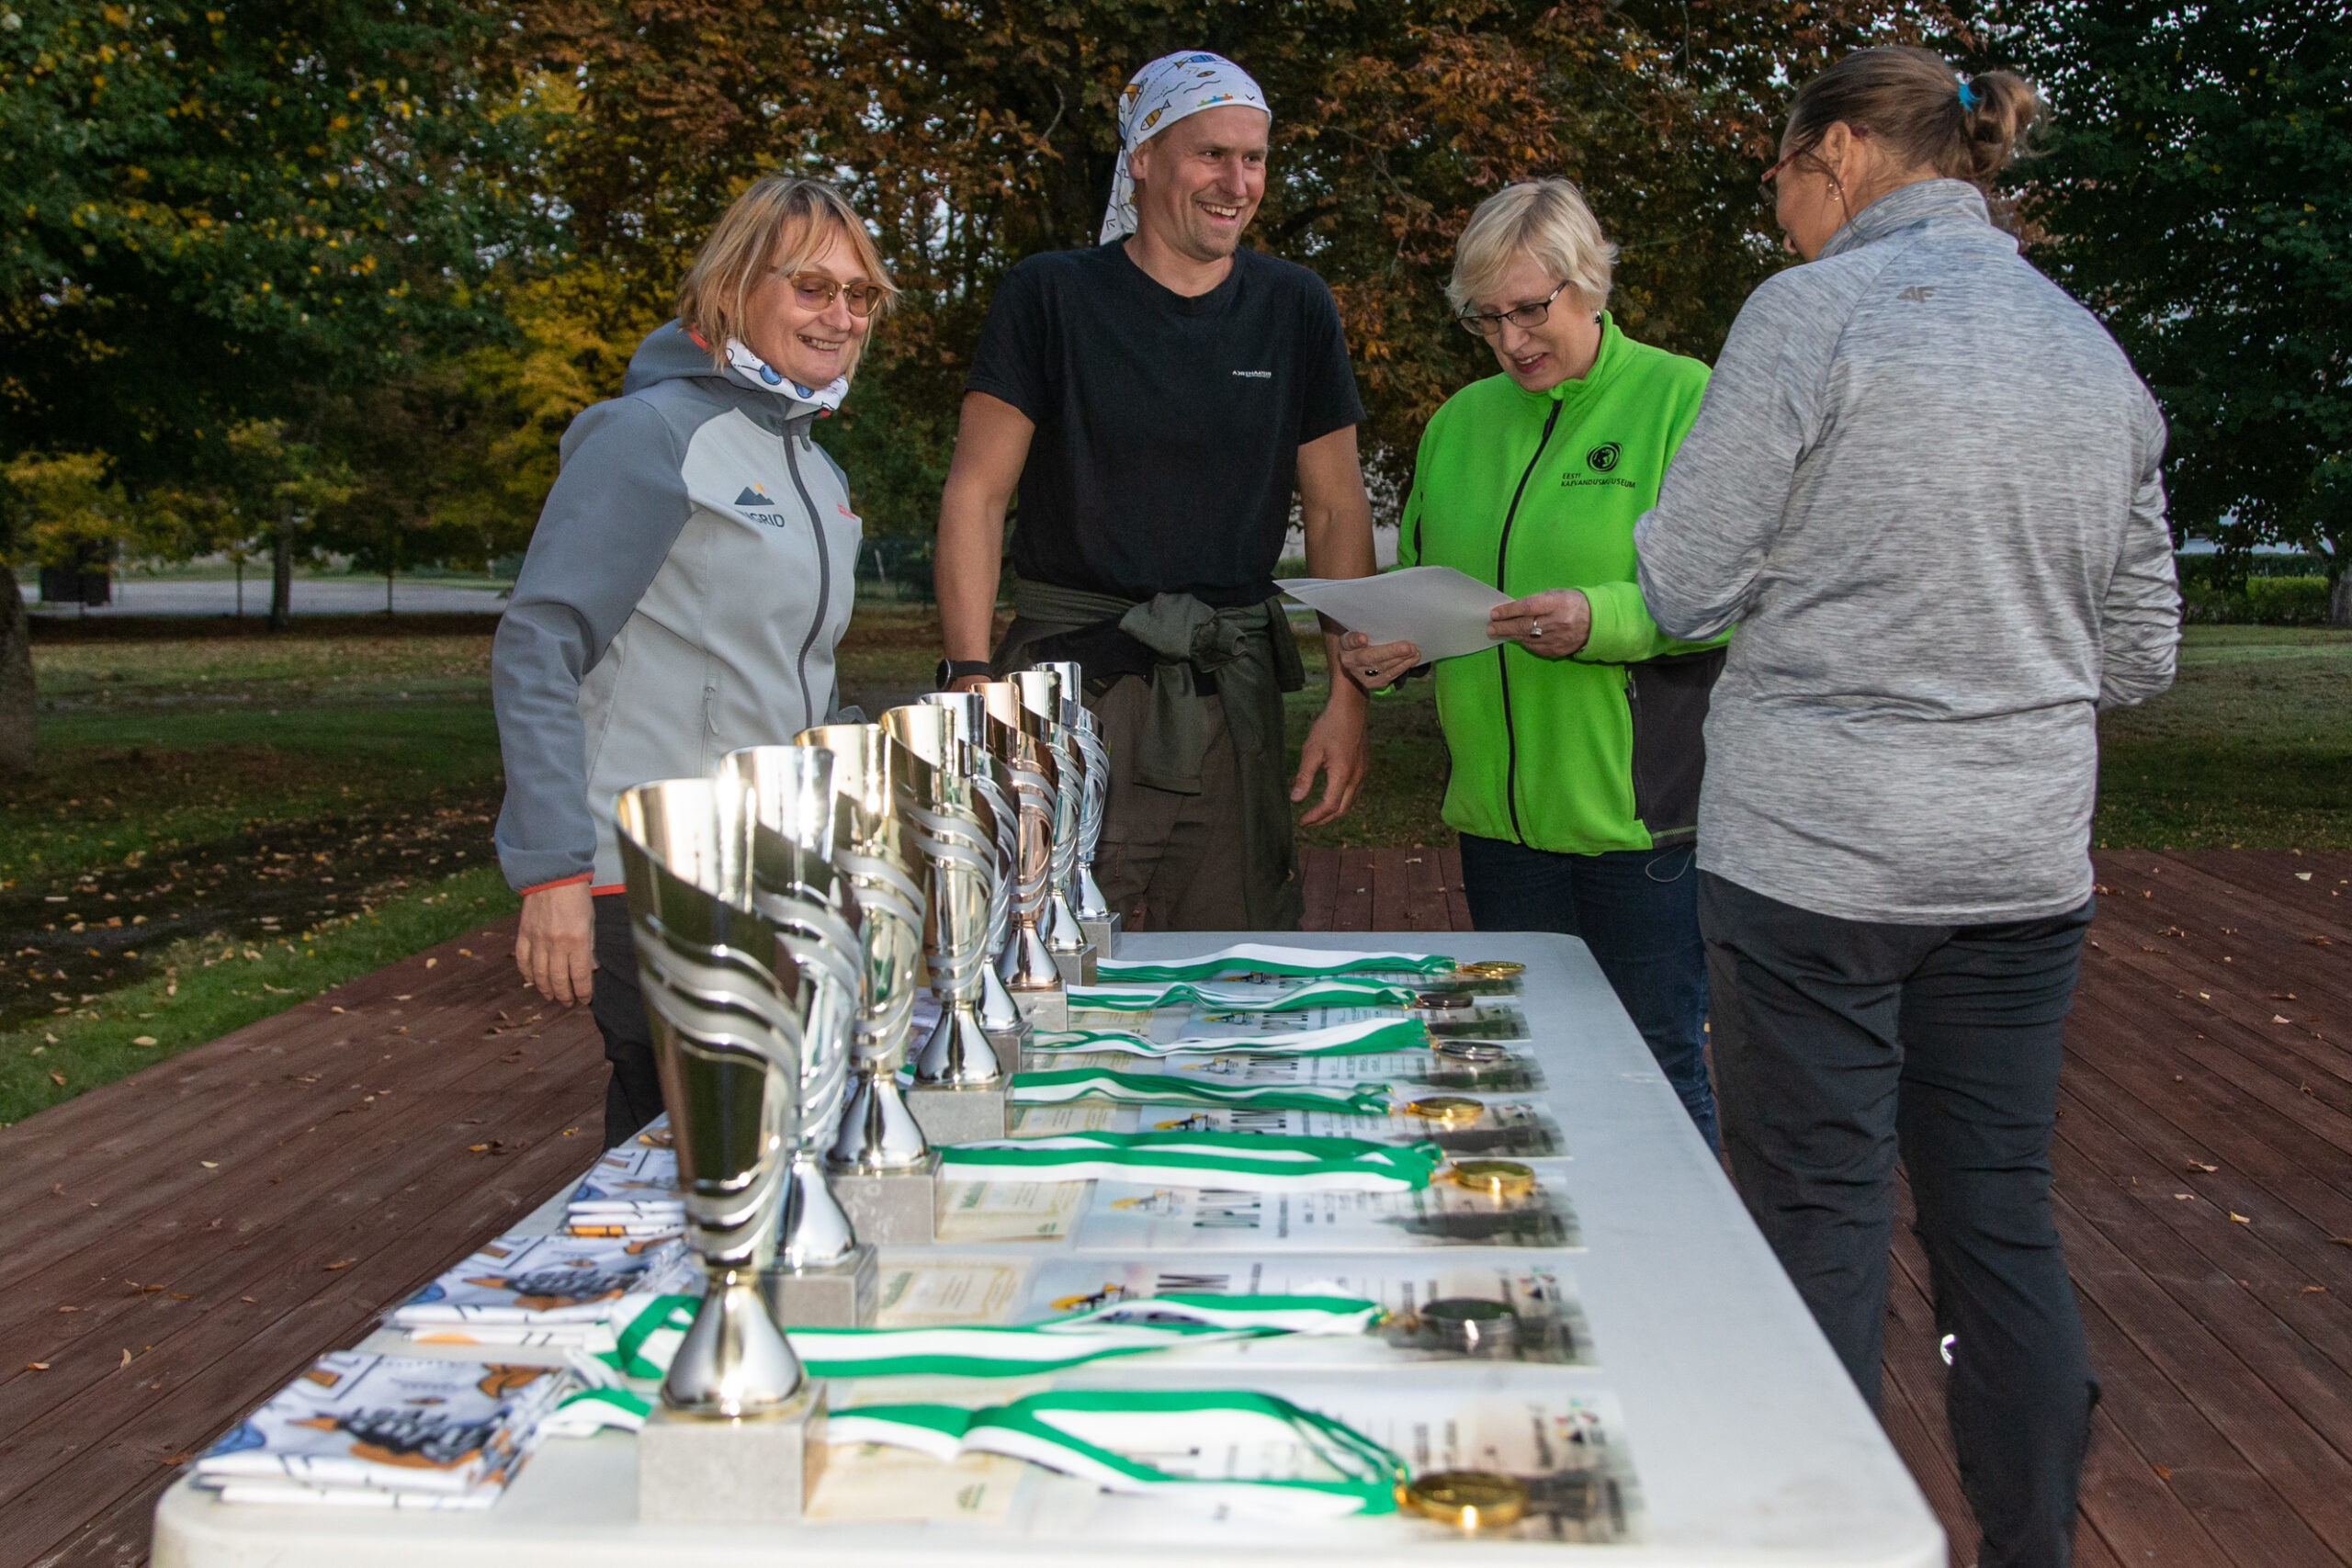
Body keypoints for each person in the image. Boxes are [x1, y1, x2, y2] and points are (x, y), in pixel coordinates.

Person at [1633, 47, 2178, 1568]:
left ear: (1842, 153)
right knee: (1998, 1214)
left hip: (1815, 860)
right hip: (2019, 865)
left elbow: (1681, 581)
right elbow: (2141, 652)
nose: (1781, 215)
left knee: (1816, 1214)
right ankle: (2031, 1543)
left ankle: (1806, 1542)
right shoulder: (2091, 352)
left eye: (1782, 181)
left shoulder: (1808, 316)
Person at [492, 176, 897, 1146]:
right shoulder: (652, 434)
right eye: (811, 287)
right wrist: (551, 870)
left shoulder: (816, 466)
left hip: (773, 869)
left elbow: (787, 671)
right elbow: (539, 643)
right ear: (732, 288)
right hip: (652, 870)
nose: (839, 316)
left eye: (859, 295)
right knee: (707, 1152)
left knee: (711, 1149)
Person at [933, 50, 1377, 931]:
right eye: (1211, 154)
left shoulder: (1295, 306)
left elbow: (1337, 507)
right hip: (1068, 695)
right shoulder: (1050, 296)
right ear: (1141, 157)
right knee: (1040, 951)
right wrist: (971, 676)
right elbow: (975, 494)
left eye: (1254, 159)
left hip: (1230, 698)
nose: (1237, 183)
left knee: (1237, 967)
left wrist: (1347, 694)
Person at [1338, 180, 1724, 1148]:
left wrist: (1600, 619)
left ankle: (1675, 1248)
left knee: (1652, 1069)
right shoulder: (1459, 422)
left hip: (1640, 831)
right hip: (1500, 830)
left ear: (1590, 282)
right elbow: (1428, 582)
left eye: (1529, 309)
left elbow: (1730, 598)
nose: (1510, 341)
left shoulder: (1683, 398)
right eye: (1486, 318)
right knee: (1526, 1063)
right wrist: (1387, 648)